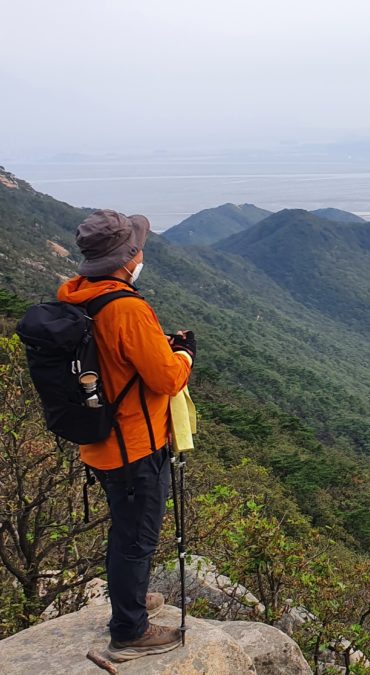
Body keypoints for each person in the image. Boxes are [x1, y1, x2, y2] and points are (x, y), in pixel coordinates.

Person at [56, 210, 196, 661]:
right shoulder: (127, 308)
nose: (141, 256)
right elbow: (166, 378)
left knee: (126, 530)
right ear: (126, 257)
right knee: (137, 539)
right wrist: (185, 354)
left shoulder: (79, 297)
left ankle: (130, 601)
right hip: (135, 445)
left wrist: (161, 348)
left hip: (100, 442)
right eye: (138, 249)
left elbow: (117, 362)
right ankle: (130, 631)